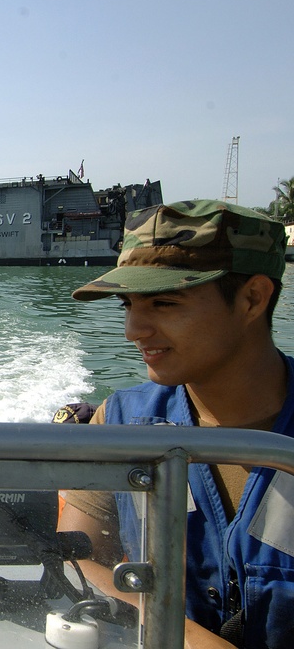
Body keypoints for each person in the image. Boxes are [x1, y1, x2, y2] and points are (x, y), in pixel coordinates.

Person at [58, 200, 292, 648]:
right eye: (127, 305)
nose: (133, 329)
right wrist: (181, 633)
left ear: (252, 299)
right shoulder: (123, 424)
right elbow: (80, 559)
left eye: (164, 303)